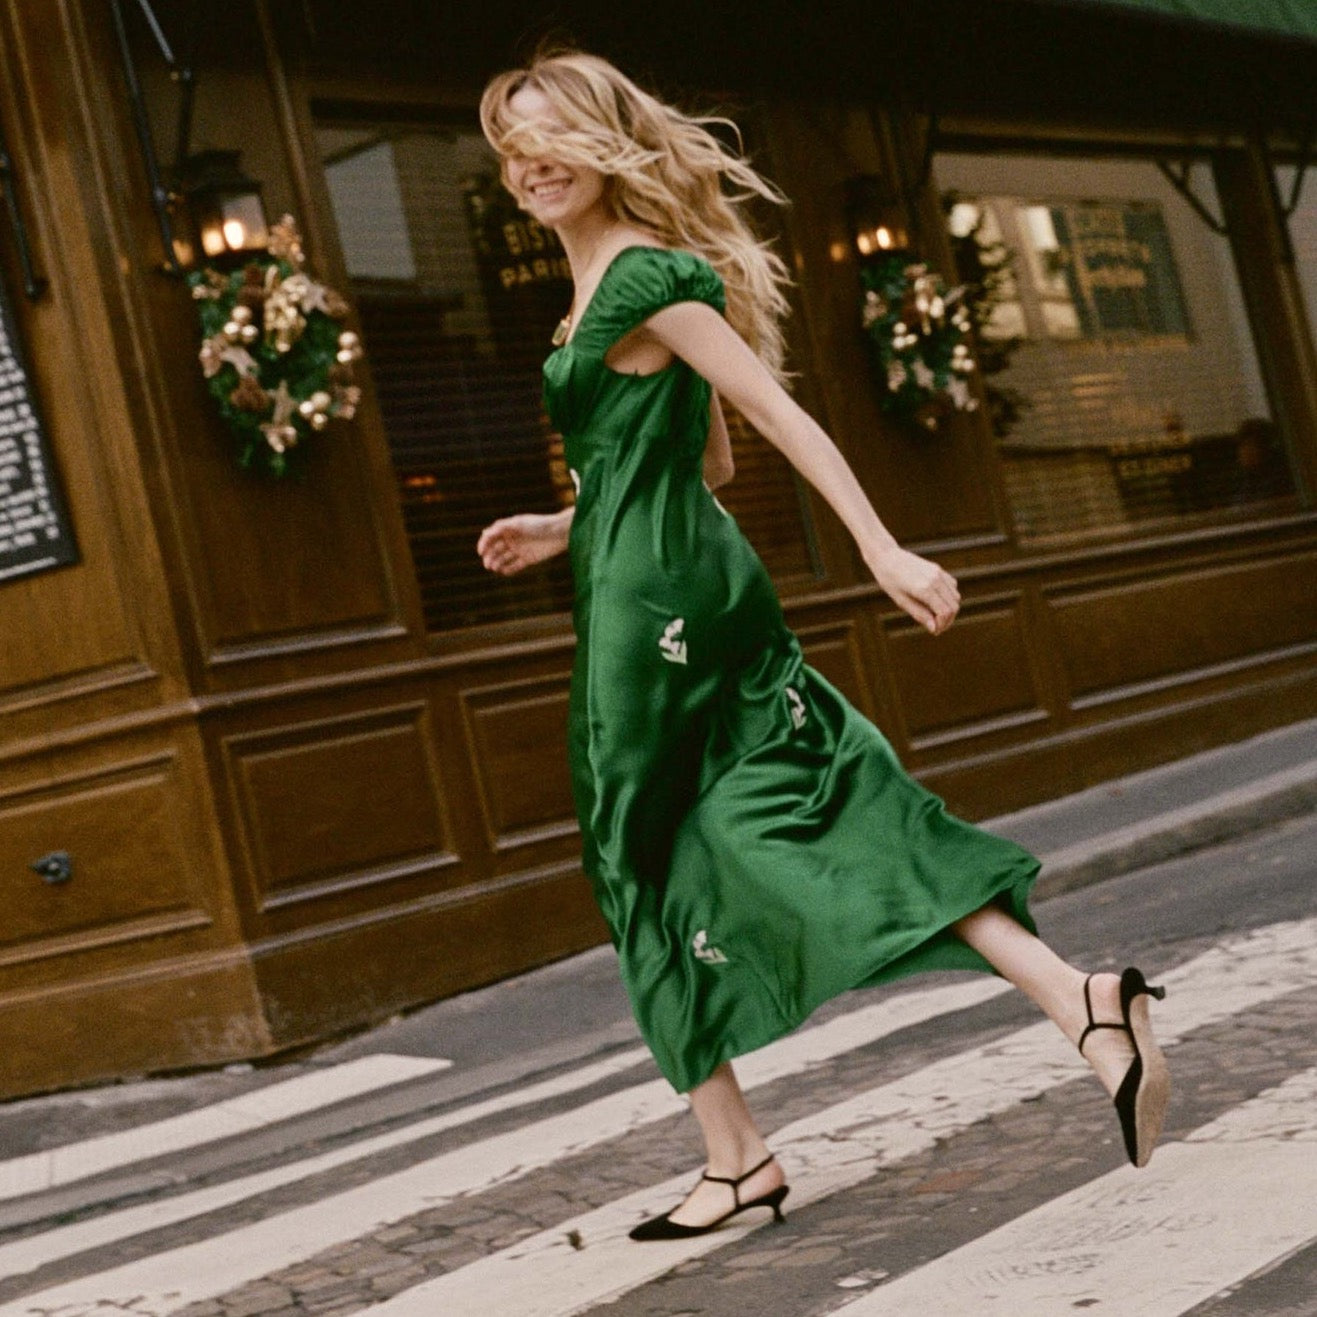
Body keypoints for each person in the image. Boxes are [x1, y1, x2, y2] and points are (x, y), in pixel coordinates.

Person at [475, 48, 1170, 1241]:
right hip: (670, 576)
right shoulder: (601, 285)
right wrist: (566, 520)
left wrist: (883, 550)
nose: (529, 164)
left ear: (603, 143)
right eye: (512, 146)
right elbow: (707, 462)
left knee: (628, 850)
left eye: (551, 138)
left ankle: (735, 1158)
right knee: (806, 802)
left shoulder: (643, 279)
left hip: (654, 612)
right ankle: (1080, 998)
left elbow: (778, 422)